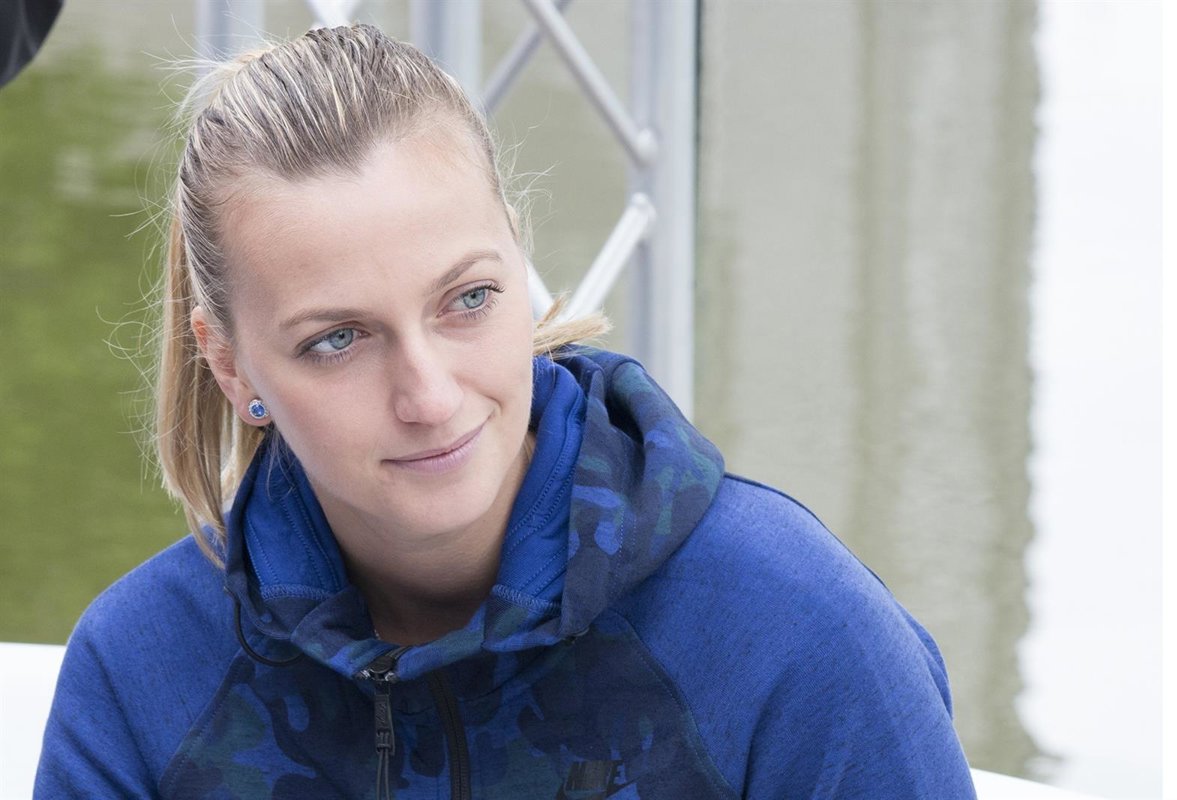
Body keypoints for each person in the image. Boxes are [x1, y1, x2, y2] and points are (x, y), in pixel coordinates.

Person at [34, 24, 977, 799]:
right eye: (338, 339)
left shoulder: (795, 634)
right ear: (229, 362)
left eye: (468, 299)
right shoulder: (141, 673)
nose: (429, 396)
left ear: (519, 263)